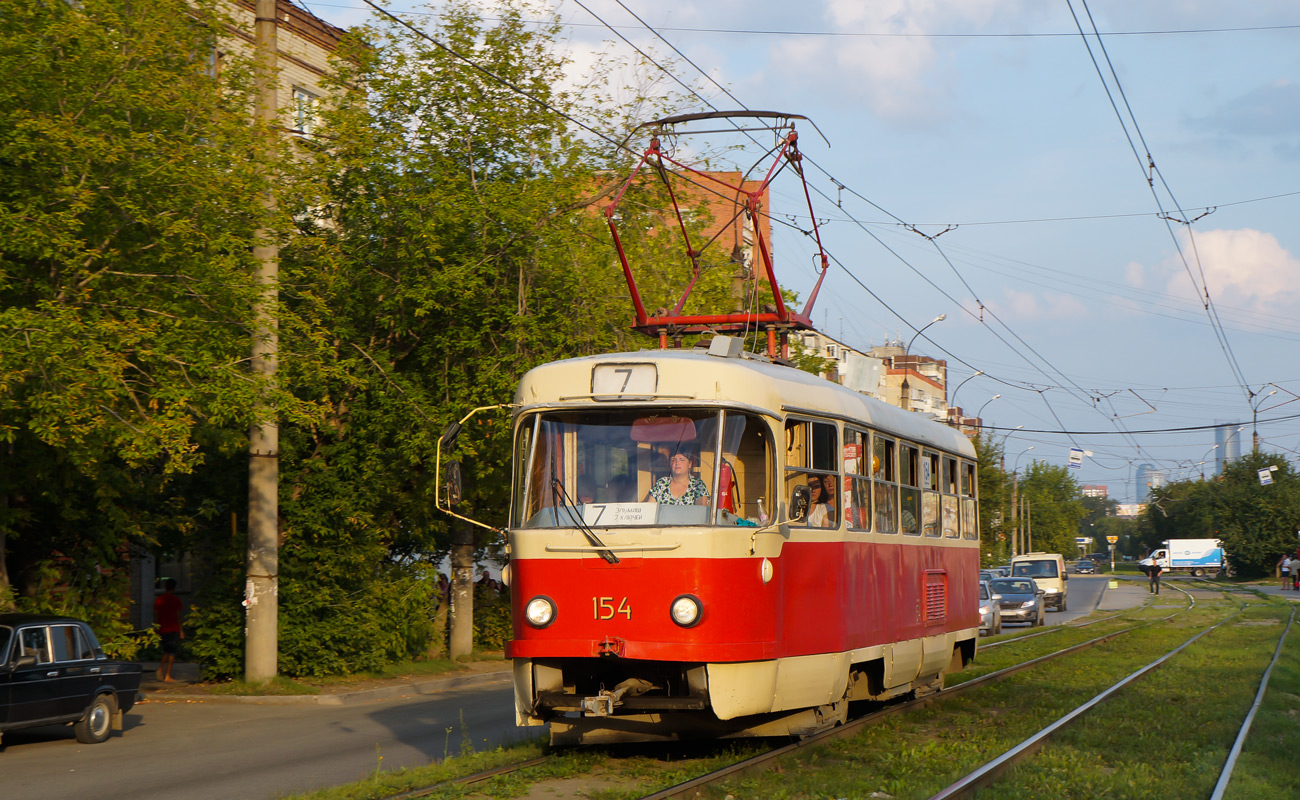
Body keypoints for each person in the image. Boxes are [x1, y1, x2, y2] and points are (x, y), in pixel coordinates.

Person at [153, 578, 184, 682]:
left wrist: (156, 628)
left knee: (167, 650)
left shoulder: (159, 599)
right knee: (171, 652)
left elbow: (156, 615)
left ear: (165, 586)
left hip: (162, 628)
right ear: (174, 588)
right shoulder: (176, 600)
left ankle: (161, 669)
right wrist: (181, 630)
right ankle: (167, 675)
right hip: (173, 628)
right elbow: (178, 616)